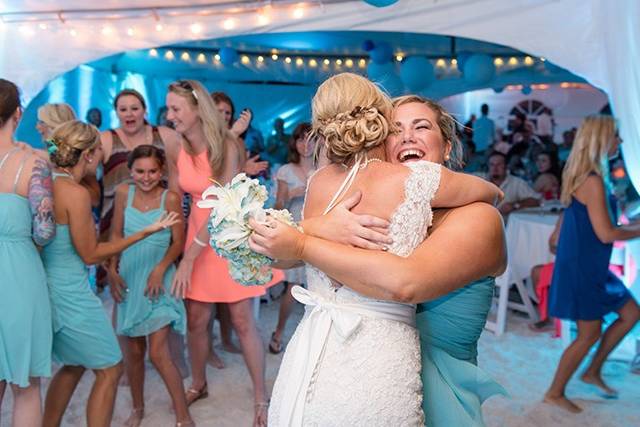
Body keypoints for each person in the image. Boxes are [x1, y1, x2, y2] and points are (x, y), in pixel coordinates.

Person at [251, 73, 502, 426]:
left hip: (436, 392)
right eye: (395, 129)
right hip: (338, 357)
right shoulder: (374, 191)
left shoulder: (478, 217)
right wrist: (314, 230)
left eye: (421, 127)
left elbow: (405, 281)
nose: (407, 137)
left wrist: (304, 241)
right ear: (379, 135)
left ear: (447, 146)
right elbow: (277, 251)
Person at [40, 120, 180, 427]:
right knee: (111, 367)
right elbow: (90, 253)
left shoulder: (46, 182)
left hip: (49, 288)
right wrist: (145, 232)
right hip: (70, 295)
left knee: (74, 364)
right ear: (89, 155)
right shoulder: (74, 193)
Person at [166, 80, 281, 427]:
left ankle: (261, 396)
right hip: (194, 240)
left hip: (225, 237)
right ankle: (198, 383)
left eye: (175, 109)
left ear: (197, 109)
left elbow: (221, 207)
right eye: (168, 109)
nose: (169, 116)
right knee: (197, 320)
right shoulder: (176, 146)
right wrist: (167, 237)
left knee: (243, 320)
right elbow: (175, 195)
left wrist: (189, 256)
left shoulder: (229, 145)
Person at [544, 115, 640, 413]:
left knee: (631, 312)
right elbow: (607, 233)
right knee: (588, 333)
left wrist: (558, 232)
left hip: (591, 264)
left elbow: (574, 213)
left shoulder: (587, 173)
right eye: (616, 136)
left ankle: (593, 370)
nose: (620, 142)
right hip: (584, 267)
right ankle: (554, 392)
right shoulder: (592, 179)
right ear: (601, 140)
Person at [109, 145, 192, 427]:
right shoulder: (123, 193)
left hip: (159, 278)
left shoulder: (170, 197)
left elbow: (178, 241)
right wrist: (111, 269)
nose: (146, 177)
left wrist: (160, 269)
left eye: (153, 171)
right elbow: (116, 233)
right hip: (130, 274)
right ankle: (137, 408)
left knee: (158, 353)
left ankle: (183, 417)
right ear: (130, 171)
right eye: (140, 171)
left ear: (162, 171)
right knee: (133, 353)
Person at [0, 78, 56, 427]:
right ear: (18, 113)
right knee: (26, 385)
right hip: (20, 274)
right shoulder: (33, 163)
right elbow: (45, 230)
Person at [269, 122, 315, 354]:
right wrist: (290, 195)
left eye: (310, 138)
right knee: (293, 285)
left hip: (319, 230)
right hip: (295, 229)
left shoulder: (323, 168)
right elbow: (277, 207)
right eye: (300, 139)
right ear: (294, 143)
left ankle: (315, 339)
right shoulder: (285, 170)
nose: (305, 144)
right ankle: (278, 331)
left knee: (320, 286)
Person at [485, 151, 541, 216]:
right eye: (492, 164)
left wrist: (515, 205)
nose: (495, 168)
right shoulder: (480, 180)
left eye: (499, 164)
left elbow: (536, 200)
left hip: (507, 224)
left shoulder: (517, 183)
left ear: (506, 166)